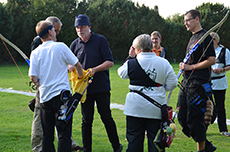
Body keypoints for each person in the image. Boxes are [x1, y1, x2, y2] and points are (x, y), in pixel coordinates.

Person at [68, 14, 123, 152]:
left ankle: (117, 146)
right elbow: (68, 63)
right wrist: (70, 67)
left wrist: (95, 69)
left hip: (101, 87)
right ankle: (87, 149)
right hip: (83, 89)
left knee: (106, 117)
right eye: (77, 28)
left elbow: (110, 62)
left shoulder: (100, 40)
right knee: (86, 120)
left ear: (89, 27)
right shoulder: (74, 44)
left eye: (82, 27)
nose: (80, 30)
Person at [29, 20, 83, 152]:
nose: (55, 32)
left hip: (45, 98)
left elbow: (33, 77)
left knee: (47, 135)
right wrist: (81, 77)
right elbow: (77, 65)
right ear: (49, 31)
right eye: (54, 30)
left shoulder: (35, 52)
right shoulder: (61, 46)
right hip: (62, 98)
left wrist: (40, 85)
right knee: (64, 134)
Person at [117, 34, 177, 152]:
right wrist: (160, 89)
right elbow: (173, 83)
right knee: (155, 143)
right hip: (156, 109)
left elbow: (121, 73)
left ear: (137, 49)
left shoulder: (131, 63)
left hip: (135, 109)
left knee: (134, 142)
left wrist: (130, 57)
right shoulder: (163, 62)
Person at [177, 9, 216, 152]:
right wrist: (184, 66)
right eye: (184, 21)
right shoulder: (192, 37)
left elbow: (212, 59)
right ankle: (207, 146)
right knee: (181, 117)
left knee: (195, 118)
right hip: (187, 83)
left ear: (197, 19)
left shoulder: (205, 37)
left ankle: (202, 150)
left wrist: (191, 66)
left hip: (198, 84)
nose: (185, 23)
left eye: (188, 20)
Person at [210, 32, 230, 137]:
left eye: (210, 40)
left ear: (215, 40)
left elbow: (229, 65)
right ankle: (203, 127)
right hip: (208, 82)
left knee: (220, 106)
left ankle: (223, 129)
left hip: (220, 82)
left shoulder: (224, 51)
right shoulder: (207, 52)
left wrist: (221, 69)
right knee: (209, 105)